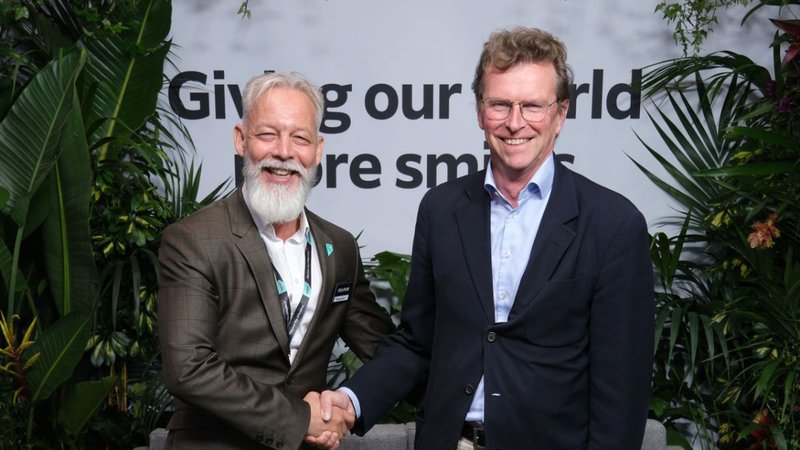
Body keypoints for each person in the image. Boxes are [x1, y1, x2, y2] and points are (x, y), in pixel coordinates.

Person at [317, 27, 655, 449]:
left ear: (560, 114)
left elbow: (621, 391)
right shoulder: (441, 209)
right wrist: (352, 401)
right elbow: (419, 343)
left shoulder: (613, 224)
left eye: (532, 106)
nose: (515, 122)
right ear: (480, 111)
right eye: (500, 104)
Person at [158, 71, 395, 450]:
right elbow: (188, 368)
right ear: (241, 139)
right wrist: (299, 419)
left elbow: (387, 351)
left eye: (300, 138)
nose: (284, 152)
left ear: (318, 149)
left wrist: (473, 390)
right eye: (268, 134)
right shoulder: (193, 240)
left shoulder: (340, 247)